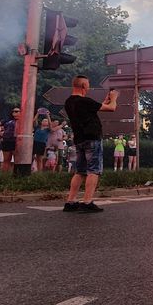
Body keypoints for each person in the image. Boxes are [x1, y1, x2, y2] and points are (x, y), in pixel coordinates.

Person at [63, 77, 118, 213]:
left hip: (79, 139)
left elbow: (93, 109)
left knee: (80, 171)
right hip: (92, 138)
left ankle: (70, 201)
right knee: (93, 170)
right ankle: (87, 202)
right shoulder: (85, 101)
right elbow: (112, 108)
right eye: (87, 85)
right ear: (83, 86)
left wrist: (105, 101)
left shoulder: (69, 102)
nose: (88, 88)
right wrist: (114, 98)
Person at [0, 101, 20, 172]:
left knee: (17, 160)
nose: (14, 113)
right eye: (13, 111)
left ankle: (16, 175)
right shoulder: (7, 120)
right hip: (7, 141)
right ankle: (4, 176)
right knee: (6, 160)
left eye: (17, 111)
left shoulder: (23, 121)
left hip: (17, 141)